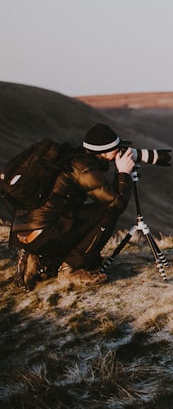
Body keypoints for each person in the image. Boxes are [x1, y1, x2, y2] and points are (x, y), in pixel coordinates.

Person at [12, 123, 135, 290]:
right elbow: (116, 204)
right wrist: (123, 174)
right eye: (115, 150)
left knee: (88, 214)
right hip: (43, 234)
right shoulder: (84, 167)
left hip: (26, 231)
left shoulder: (72, 158)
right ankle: (71, 269)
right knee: (107, 213)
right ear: (103, 152)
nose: (117, 154)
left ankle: (40, 259)